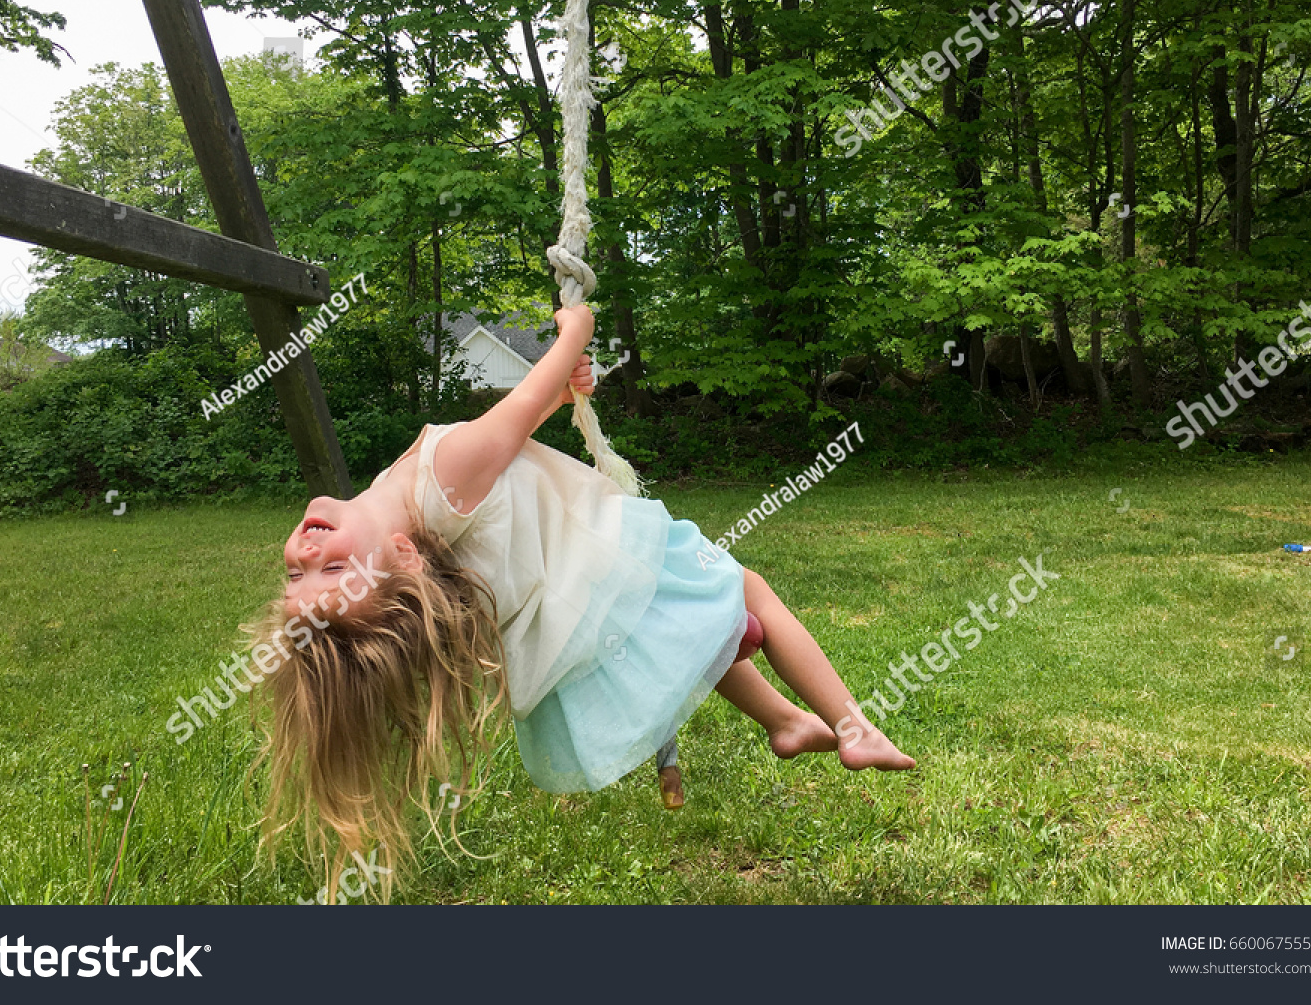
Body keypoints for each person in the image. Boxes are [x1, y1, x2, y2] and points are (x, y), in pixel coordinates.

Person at [250, 303, 914, 897]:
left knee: (677, 636)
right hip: (599, 551)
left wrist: (562, 392)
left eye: (297, 578)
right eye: (333, 568)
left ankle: (783, 721)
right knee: (747, 589)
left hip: (573, 586)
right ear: (402, 556)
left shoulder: (409, 497)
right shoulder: (441, 471)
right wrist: (576, 332)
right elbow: (517, 410)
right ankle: (852, 727)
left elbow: (517, 425)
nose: (305, 558)